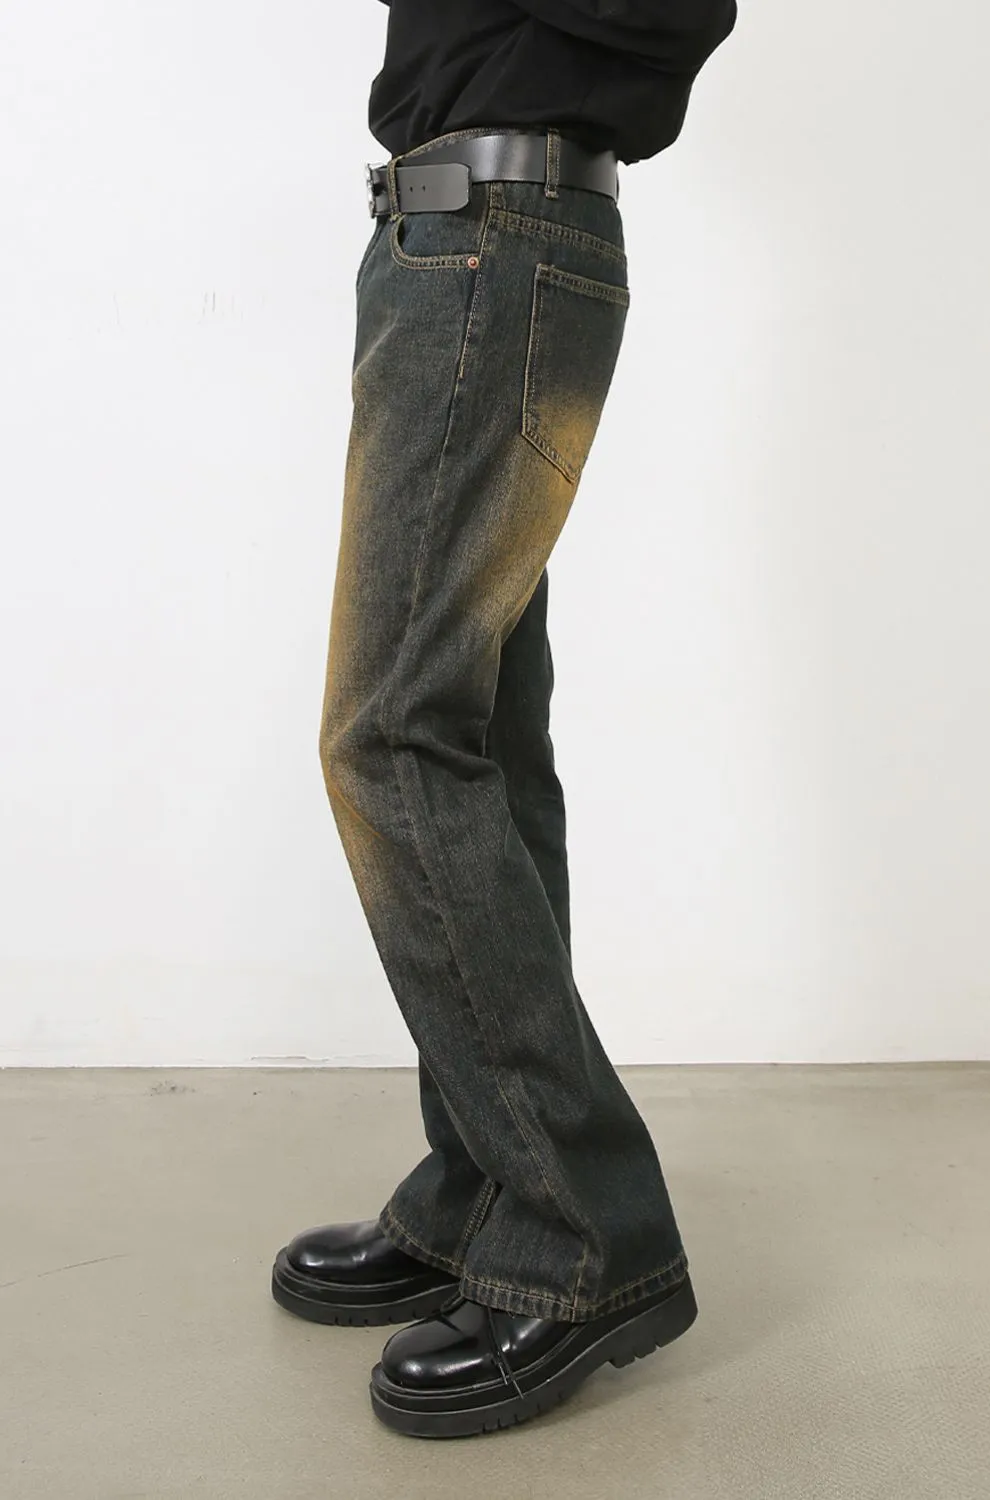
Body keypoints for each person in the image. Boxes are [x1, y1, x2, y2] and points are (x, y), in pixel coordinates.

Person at [271, 0, 738, 1438]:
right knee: (467, 735)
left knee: (393, 735)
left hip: (499, 240)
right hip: (450, 242)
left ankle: (582, 1234)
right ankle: (486, 1188)